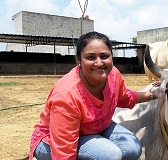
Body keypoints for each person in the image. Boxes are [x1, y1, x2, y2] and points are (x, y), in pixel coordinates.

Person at [29, 31, 158, 160]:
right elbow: (64, 153)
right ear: (79, 60)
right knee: (110, 155)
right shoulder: (67, 95)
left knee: (133, 148)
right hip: (53, 142)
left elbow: (124, 97)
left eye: (104, 56)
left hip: (95, 129)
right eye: (90, 57)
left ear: (112, 57)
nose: (99, 63)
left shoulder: (113, 75)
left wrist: (153, 94)